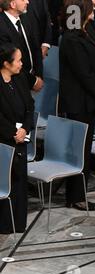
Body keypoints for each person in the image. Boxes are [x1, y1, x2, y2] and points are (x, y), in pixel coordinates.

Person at [59, 0, 95, 211]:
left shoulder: (82, 32)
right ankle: (76, 195)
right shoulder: (72, 39)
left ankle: (78, 193)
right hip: (79, 102)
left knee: (84, 148)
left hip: (85, 101)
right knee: (80, 149)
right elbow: (83, 72)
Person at [0, 43, 34, 234]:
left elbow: (30, 106)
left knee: (19, 181)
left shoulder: (20, 79)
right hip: (4, 140)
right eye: (19, 60)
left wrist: (25, 130)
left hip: (21, 139)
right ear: (6, 63)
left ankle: (17, 223)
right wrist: (12, 133)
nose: (22, 64)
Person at [0, 0, 44, 91]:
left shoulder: (26, 19)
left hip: (34, 76)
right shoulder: (1, 26)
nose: (27, 2)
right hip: (17, 83)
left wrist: (39, 75)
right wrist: (34, 81)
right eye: (23, 0)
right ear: (12, 4)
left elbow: (36, 48)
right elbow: (10, 61)